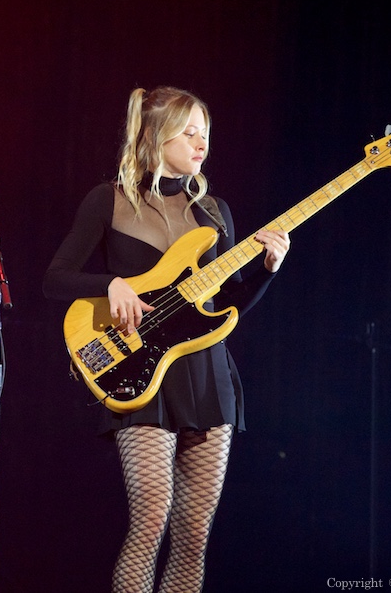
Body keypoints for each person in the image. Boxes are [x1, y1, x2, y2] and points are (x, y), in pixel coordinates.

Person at [42, 86, 290, 592]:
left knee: (194, 533)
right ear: (155, 136)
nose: (201, 143)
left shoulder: (215, 213)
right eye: (189, 132)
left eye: (206, 133)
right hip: (138, 369)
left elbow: (226, 308)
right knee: (152, 516)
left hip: (206, 375)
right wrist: (112, 284)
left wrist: (266, 270)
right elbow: (55, 279)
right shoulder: (108, 199)